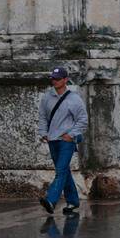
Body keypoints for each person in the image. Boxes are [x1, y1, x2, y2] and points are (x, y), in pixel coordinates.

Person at [37, 66, 88, 215]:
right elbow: (42, 117)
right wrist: (43, 133)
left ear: (65, 80)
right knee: (64, 170)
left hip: (67, 141)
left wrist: (71, 134)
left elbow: (83, 120)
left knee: (60, 171)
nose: (55, 81)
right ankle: (72, 202)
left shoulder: (74, 99)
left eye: (58, 79)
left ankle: (51, 200)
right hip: (52, 140)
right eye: (53, 78)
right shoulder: (47, 97)